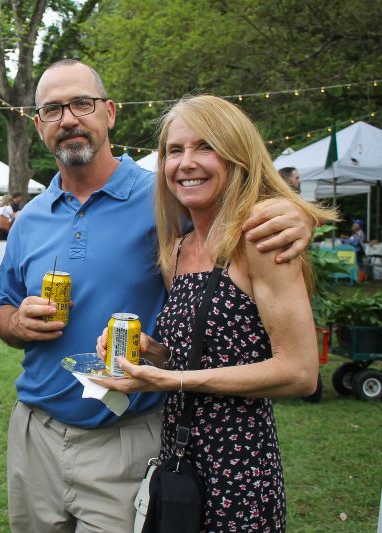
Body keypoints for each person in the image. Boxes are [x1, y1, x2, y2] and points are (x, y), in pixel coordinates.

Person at [0, 60, 315, 532]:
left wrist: (296, 215)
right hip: (34, 434)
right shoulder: (30, 218)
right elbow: (2, 310)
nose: (69, 119)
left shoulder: (165, 198)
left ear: (110, 113)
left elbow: (236, 206)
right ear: (38, 124)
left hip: (126, 435)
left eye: (82, 103)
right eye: (52, 109)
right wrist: (17, 323)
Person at [93, 94, 336, 531]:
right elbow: (201, 352)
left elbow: (300, 372)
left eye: (205, 147)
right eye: (174, 150)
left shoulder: (260, 239)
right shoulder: (179, 248)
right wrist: (150, 353)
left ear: (238, 156)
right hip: (180, 459)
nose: (186, 162)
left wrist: (176, 381)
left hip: (240, 467)